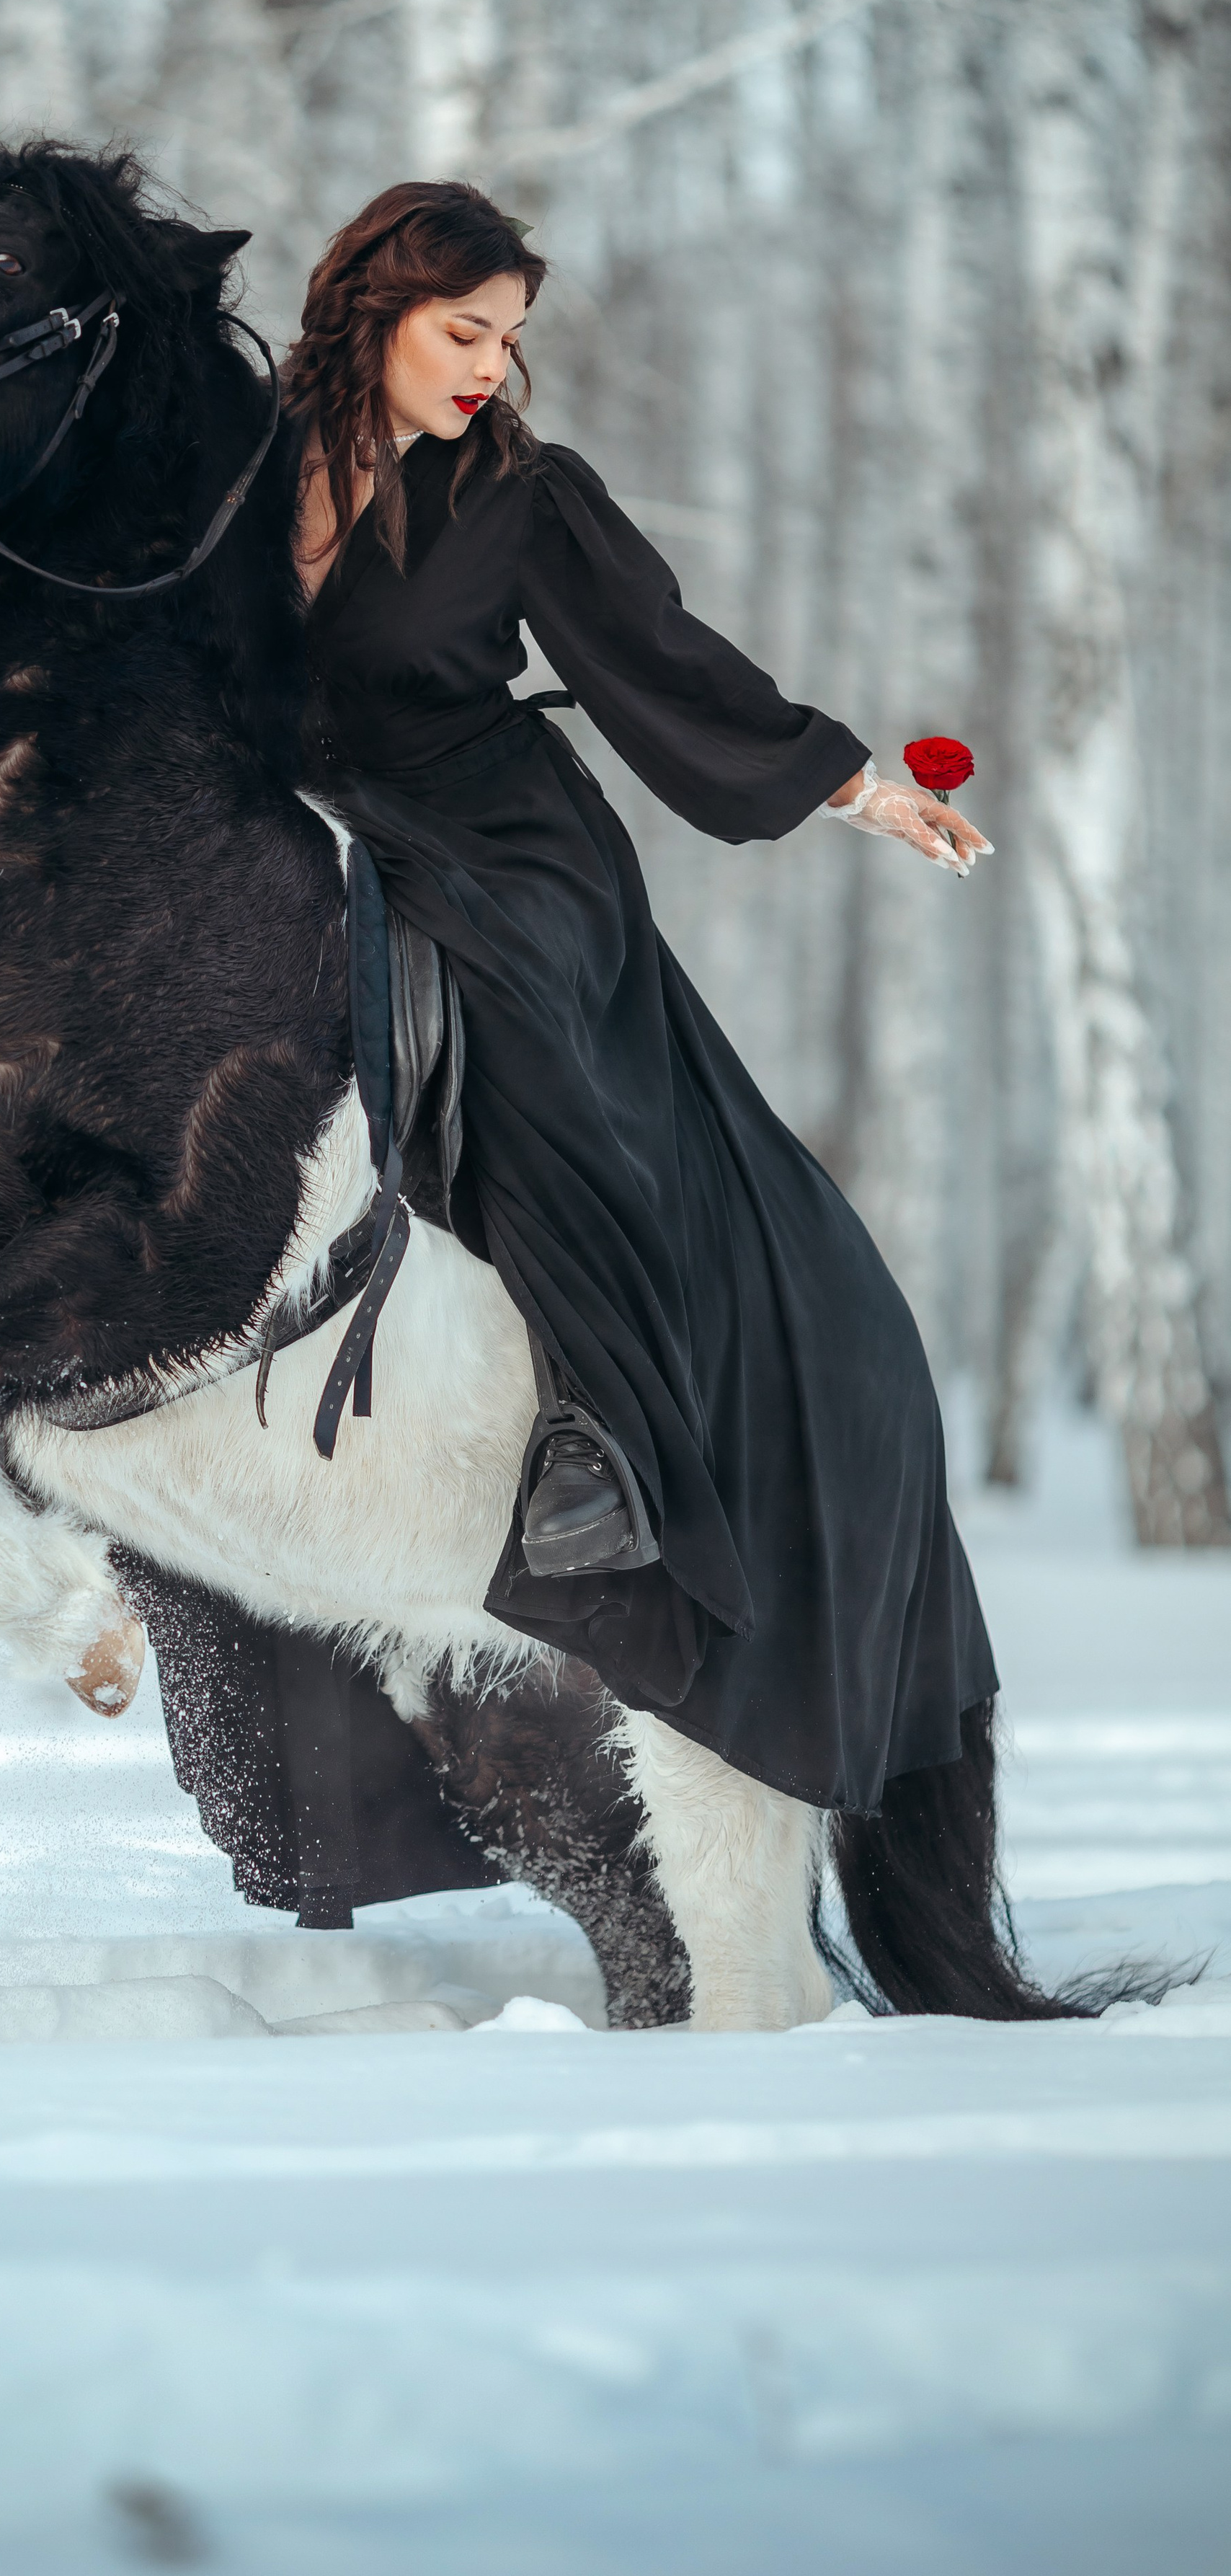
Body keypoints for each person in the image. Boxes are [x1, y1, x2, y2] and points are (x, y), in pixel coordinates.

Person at [286, 182, 995, 1815]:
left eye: (508, 339)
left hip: (499, 855)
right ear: (370, 315)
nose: (487, 365)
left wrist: (855, 788)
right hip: (307, 831)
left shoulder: (524, 499)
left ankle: (597, 1465)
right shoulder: (240, 478)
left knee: (540, 1082)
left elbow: (665, 667)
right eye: (461, 332)